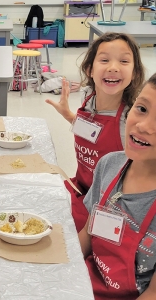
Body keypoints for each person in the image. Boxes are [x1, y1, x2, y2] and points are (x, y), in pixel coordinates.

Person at [45, 32, 145, 232]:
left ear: (134, 73)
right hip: (80, 188)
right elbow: (93, 134)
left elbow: (141, 175)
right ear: (90, 69)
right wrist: (68, 115)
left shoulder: (129, 120)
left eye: (124, 61)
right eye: (105, 60)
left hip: (109, 207)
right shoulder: (89, 101)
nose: (113, 67)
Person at [78, 73, 156, 299]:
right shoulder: (109, 164)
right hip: (87, 284)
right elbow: (87, 232)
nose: (143, 126)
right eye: (142, 108)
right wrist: (64, 270)